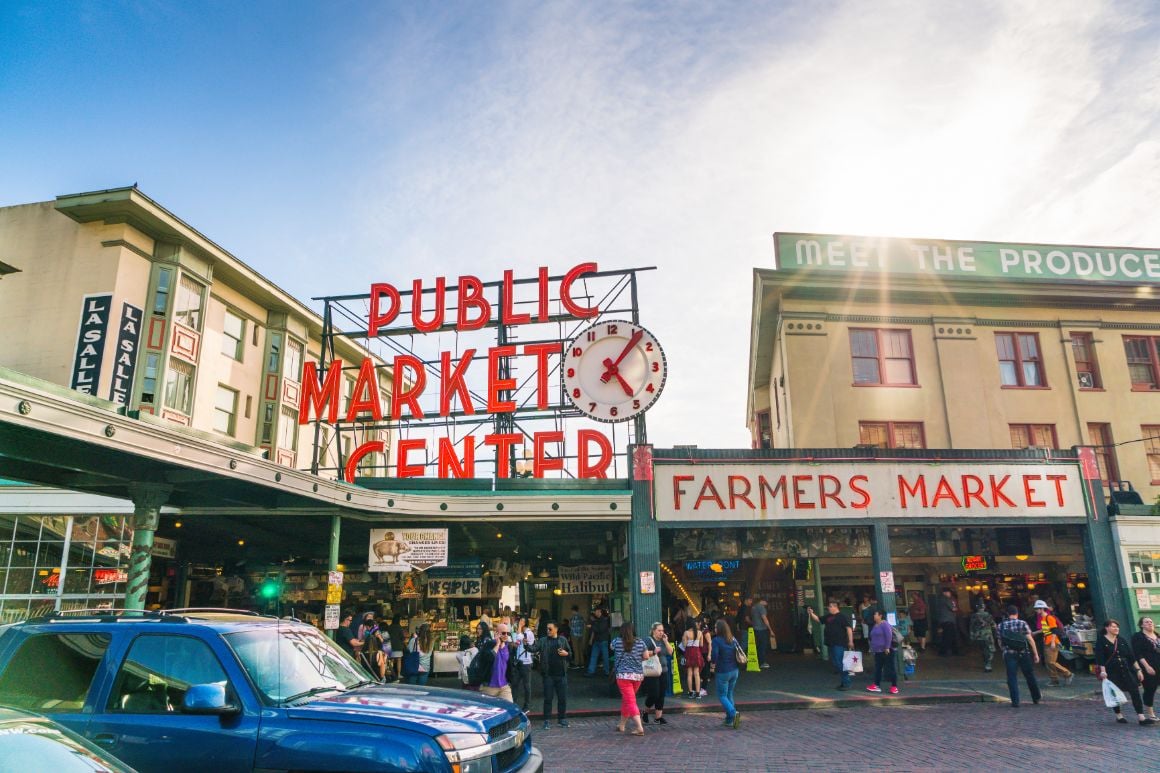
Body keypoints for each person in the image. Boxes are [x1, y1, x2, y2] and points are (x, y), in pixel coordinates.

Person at [1095, 619, 1152, 725]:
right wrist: (1103, 672)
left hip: (1126, 670)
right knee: (1115, 693)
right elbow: (1100, 658)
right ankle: (1119, 715)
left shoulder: (1121, 640)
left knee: (1135, 691)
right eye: (1113, 626)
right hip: (1112, 671)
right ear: (1107, 628)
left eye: (1117, 627)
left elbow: (1131, 656)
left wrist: (1138, 670)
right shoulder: (1101, 641)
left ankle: (1141, 717)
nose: (1116, 629)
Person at [610, 621, 654, 735]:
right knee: (627, 700)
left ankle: (639, 727)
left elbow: (611, 647)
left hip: (623, 676)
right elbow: (646, 656)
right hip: (637, 676)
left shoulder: (617, 641)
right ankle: (622, 725)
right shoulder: (640, 642)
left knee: (630, 701)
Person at [997, 605, 1041, 708]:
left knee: (1012, 677)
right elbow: (1030, 639)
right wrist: (1035, 654)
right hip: (1023, 653)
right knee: (1029, 675)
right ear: (1017, 613)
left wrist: (1004, 650)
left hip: (1009, 654)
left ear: (1007, 614)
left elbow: (999, 641)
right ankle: (1036, 697)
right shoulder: (1022, 623)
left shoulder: (1001, 626)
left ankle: (1015, 701)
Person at [808, 602, 854, 691]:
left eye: (830, 606)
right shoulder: (828, 616)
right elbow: (818, 619)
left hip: (839, 643)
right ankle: (844, 682)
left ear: (835, 607)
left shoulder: (842, 617)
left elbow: (848, 628)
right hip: (831, 643)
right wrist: (811, 613)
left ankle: (847, 682)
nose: (828, 608)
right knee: (836, 663)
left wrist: (851, 641)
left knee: (839, 663)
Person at [535, 621, 571, 729]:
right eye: (547, 629)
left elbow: (570, 654)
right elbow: (533, 649)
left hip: (561, 674)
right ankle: (546, 720)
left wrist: (567, 654)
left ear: (556, 629)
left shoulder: (562, 640)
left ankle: (562, 719)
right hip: (548, 674)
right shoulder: (543, 640)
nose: (548, 631)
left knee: (562, 698)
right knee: (548, 698)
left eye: (550, 629)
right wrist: (526, 644)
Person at [708, 619, 742, 729]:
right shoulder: (732, 638)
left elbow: (714, 655)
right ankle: (729, 720)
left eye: (716, 627)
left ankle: (733, 713)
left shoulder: (716, 640)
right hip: (734, 670)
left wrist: (712, 665)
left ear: (719, 629)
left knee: (722, 695)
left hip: (723, 671)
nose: (714, 629)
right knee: (729, 694)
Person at [1034, 599, 1073, 687]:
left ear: (1041, 609)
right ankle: (1054, 679)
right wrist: (1035, 633)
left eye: (1037, 608)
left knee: (1051, 662)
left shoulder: (1049, 618)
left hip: (1052, 642)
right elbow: (1046, 630)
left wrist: (1052, 642)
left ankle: (1067, 673)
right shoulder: (1044, 618)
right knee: (1048, 662)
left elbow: (1054, 630)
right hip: (1047, 641)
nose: (1036, 610)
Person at [478, 622, 518, 702]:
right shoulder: (488, 645)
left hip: (504, 686)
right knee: (489, 712)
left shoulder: (508, 647)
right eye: (503, 633)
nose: (506, 635)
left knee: (509, 709)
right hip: (489, 687)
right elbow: (488, 659)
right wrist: (497, 644)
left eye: (508, 633)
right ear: (497, 633)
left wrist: (511, 680)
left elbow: (509, 665)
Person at [642, 622, 672, 725]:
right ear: (653, 630)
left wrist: (666, 641)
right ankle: (645, 711)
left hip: (664, 670)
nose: (661, 632)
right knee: (654, 694)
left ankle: (658, 717)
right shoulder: (648, 640)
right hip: (652, 671)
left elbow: (670, 652)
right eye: (659, 630)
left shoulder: (663, 641)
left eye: (662, 630)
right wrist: (653, 651)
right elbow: (642, 653)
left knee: (661, 694)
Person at [1131, 618, 1160, 722]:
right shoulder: (1138, 637)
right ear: (1141, 625)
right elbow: (1138, 654)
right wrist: (1147, 667)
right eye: (1146, 622)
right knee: (1150, 689)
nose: (1150, 623)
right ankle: (1151, 714)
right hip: (1148, 666)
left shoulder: (1157, 635)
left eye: (1151, 622)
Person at [866, 609, 898, 695]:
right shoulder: (875, 625)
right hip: (878, 651)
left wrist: (887, 647)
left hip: (887, 650)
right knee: (878, 668)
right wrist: (872, 648)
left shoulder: (885, 624)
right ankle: (876, 685)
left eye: (875, 614)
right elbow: (873, 637)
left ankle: (894, 686)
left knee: (891, 668)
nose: (874, 616)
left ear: (880, 615)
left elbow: (889, 635)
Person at [512, 617, 536, 711]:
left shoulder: (528, 633)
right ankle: (513, 703)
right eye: (519, 621)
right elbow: (517, 642)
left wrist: (519, 627)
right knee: (515, 684)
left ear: (525, 623)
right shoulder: (522, 633)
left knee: (526, 685)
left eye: (521, 621)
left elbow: (519, 637)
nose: (519, 623)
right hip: (519, 661)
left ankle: (527, 706)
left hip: (526, 663)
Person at [969, 603, 997, 672]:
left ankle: (986, 663)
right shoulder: (988, 616)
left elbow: (971, 627)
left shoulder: (974, 616)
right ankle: (988, 665)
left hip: (979, 637)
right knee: (990, 650)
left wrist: (972, 636)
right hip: (988, 636)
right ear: (984, 607)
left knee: (983, 650)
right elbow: (994, 626)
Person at [680, 619, 704, 699]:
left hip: (689, 653)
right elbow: (701, 644)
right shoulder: (700, 632)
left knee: (689, 674)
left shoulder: (686, 633)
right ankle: (698, 693)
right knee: (697, 674)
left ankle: (690, 692)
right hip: (697, 653)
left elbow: (684, 645)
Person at [586, 607, 611, 677]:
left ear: (599, 611)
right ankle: (604, 672)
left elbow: (600, 630)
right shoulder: (600, 620)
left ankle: (604, 671)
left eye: (596, 611)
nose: (595, 613)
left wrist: (591, 626)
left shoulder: (603, 620)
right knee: (598, 656)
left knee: (601, 657)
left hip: (602, 641)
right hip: (599, 640)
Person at [935, 589, 960, 656]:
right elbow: (953, 608)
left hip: (943, 620)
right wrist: (956, 607)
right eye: (949, 592)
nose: (950, 594)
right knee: (948, 637)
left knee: (947, 636)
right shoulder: (946, 599)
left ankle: (949, 651)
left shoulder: (939, 599)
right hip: (948, 620)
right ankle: (944, 652)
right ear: (945, 593)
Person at [751, 596, 773, 669]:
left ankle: (758, 662)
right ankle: (762, 662)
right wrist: (770, 629)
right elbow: (764, 618)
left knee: (758, 646)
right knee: (763, 646)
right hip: (761, 629)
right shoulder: (761, 608)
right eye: (766, 603)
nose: (766, 604)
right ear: (763, 601)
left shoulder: (753, 607)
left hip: (755, 628)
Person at [386, 615, 406, 681]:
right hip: (398, 646)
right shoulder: (399, 627)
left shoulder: (389, 627)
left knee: (391, 660)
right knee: (398, 660)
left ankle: (391, 674)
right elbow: (402, 637)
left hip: (390, 646)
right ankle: (398, 674)